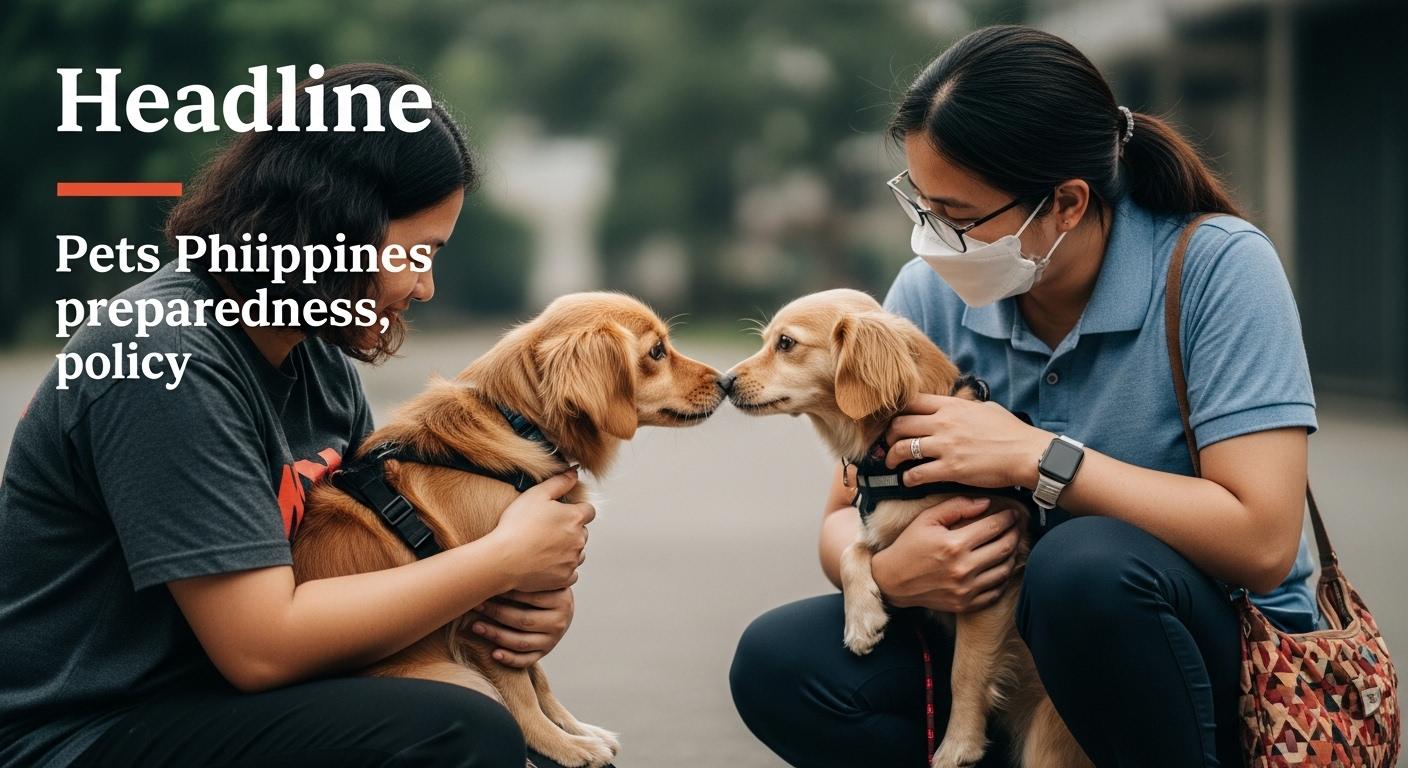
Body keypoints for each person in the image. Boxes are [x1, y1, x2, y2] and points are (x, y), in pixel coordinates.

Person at [730, 25, 1317, 768]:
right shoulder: (928, 294)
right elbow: (845, 515)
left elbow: (1263, 543)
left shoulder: (1220, 270)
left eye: (961, 216)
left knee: (1080, 568)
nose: (936, 240)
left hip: (1206, 656)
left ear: (1066, 203)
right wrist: (884, 572)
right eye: (922, 206)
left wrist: (1033, 456)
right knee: (778, 662)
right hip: (1007, 649)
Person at [0, 63, 598, 768]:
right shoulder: (165, 357)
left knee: (503, 723)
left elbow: (360, 575)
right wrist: (498, 562)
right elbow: (262, 647)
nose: (425, 286)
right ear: (335, 222)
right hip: (84, 734)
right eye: (417, 252)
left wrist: (513, 614)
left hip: (216, 704)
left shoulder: (315, 360)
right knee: (456, 731)